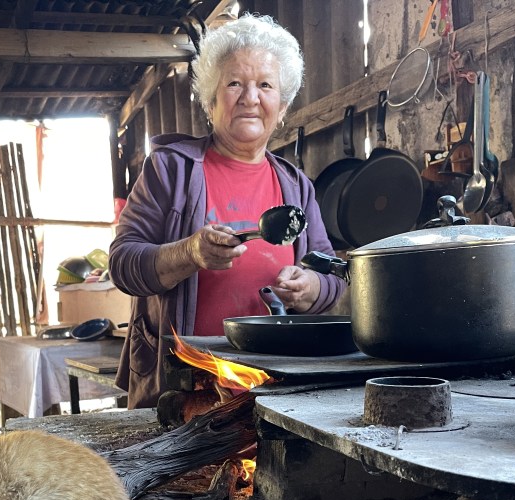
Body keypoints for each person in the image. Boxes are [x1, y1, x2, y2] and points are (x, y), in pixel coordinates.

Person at [108, 13, 345, 409]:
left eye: (265, 85)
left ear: (282, 105)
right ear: (211, 100)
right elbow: (123, 264)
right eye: (235, 83)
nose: (250, 98)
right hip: (187, 390)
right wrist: (190, 253)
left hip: (272, 391)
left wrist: (311, 288)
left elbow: (332, 276)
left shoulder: (295, 185)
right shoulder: (171, 169)